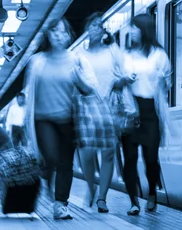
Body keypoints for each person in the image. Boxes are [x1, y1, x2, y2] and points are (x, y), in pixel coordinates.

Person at [23, 17, 100, 220]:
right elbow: (29, 94)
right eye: (54, 31)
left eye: (63, 32)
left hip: (68, 119)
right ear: (48, 35)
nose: (58, 35)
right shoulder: (37, 61)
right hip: (43, 120)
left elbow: (91, 88)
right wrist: (24, 123)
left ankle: (60, 204)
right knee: (51, 158)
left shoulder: (76, 60)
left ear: (68, 36)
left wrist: (79, 79)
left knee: (66, 163)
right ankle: (49, 185)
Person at [121, 14, 172, 215]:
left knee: (151, 158)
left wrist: (161, 79)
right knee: (130, 158)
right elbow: (116, 83)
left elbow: (167, 85)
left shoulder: (159, 55)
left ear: (144, 29)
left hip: (151, 111)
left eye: (134, 28)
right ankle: (134, 202)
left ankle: (152, 192)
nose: (131, 32)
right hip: (130, 111)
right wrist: (125, 79)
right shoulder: (125, 56)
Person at [78, 12, 125, 213]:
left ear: (104, 30)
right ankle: (91, 186)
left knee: (107, 154)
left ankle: (102, 198)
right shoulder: (80, 55)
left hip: (109, 108)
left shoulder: (112, 51)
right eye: (92, 25)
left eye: (99, 25)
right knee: (87, 154)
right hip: (87, 109)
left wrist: (121, 82)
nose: (96, 28)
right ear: (87, 29)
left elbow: (124, 73)